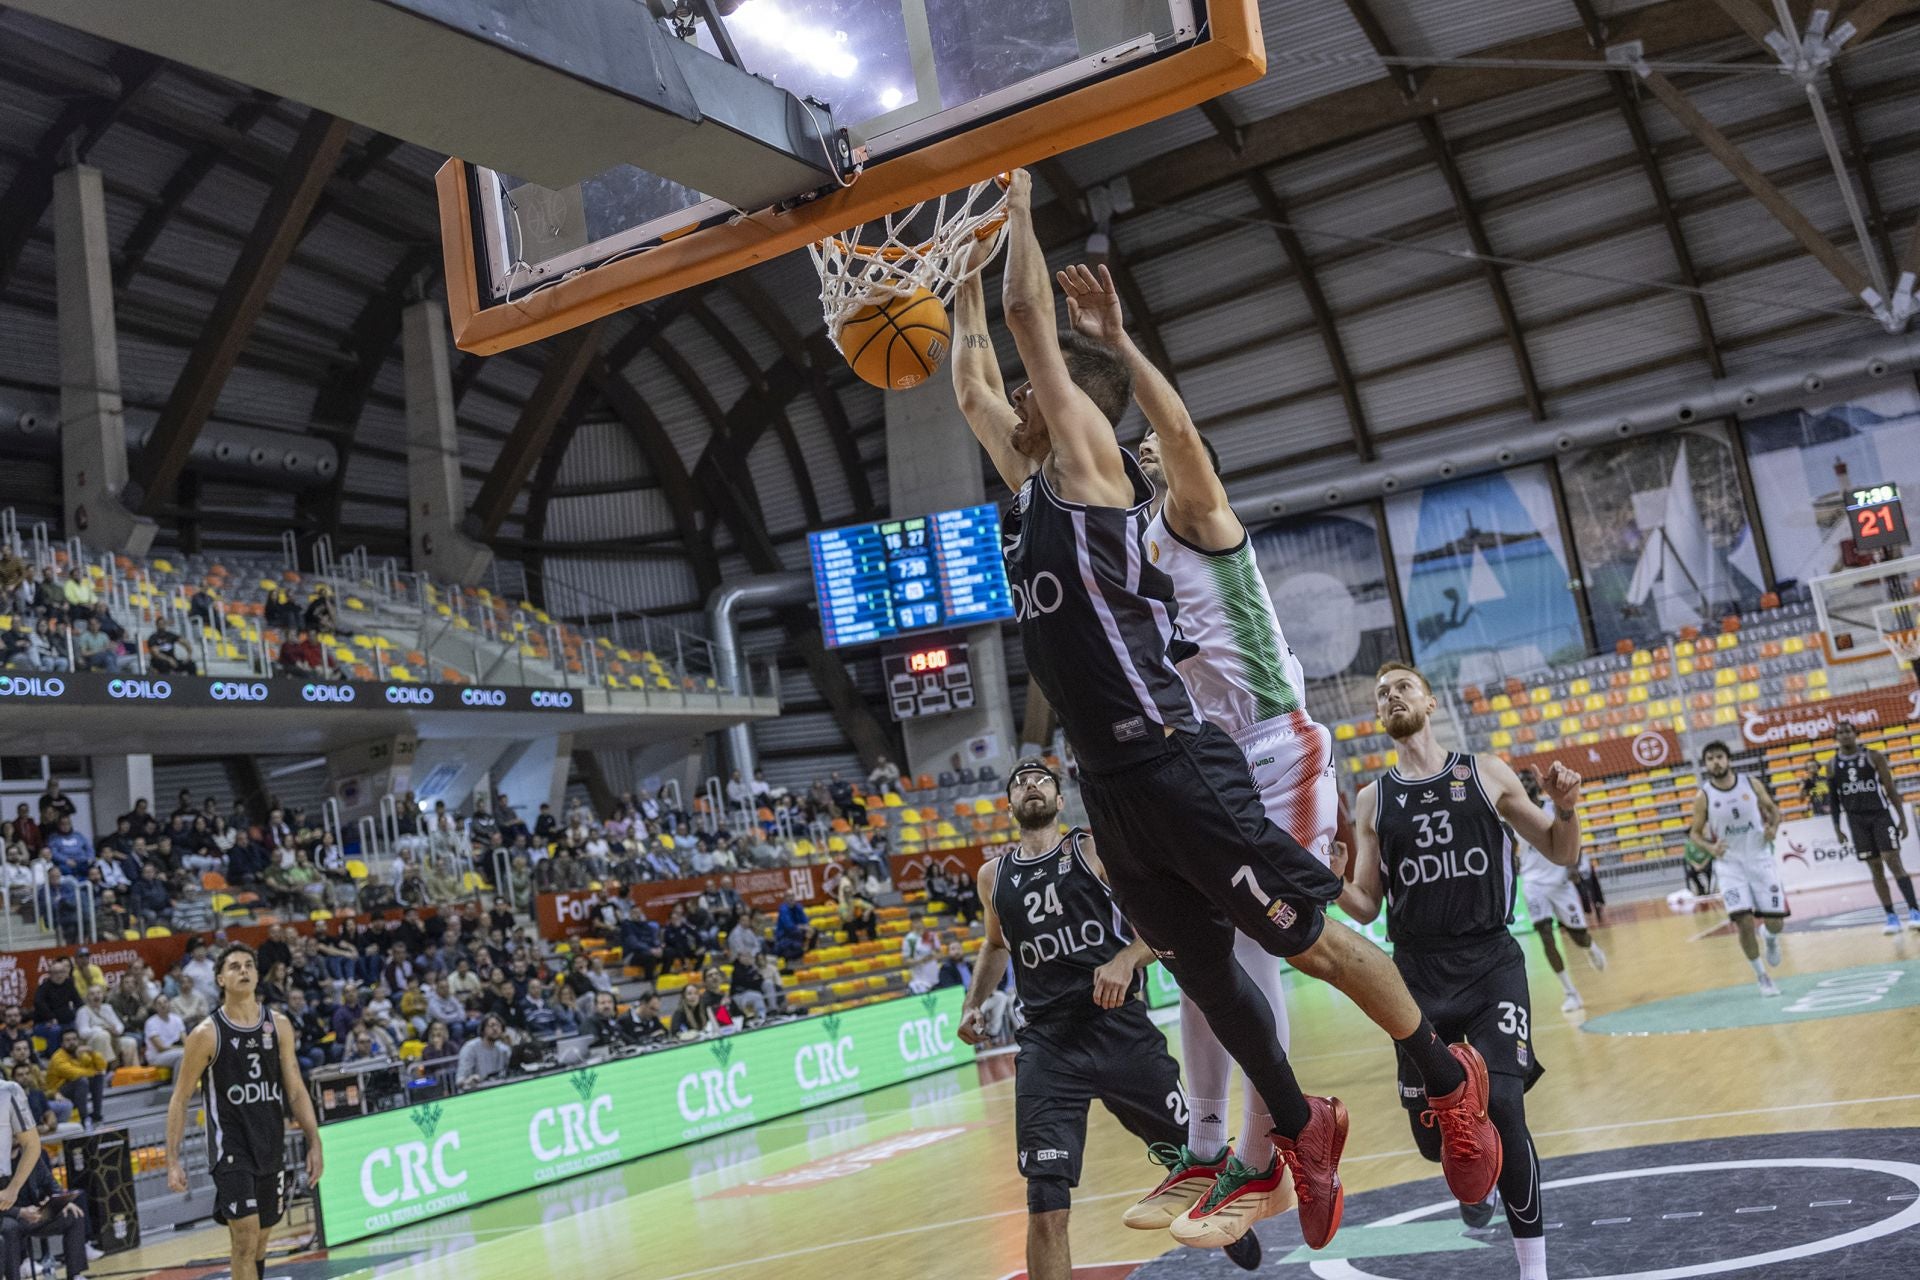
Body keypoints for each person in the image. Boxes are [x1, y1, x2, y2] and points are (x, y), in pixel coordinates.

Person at [955, 194, 1497, 1253]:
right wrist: (943, 272)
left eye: (1043, 392)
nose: (1021, 394)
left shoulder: (1124, 492)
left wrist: (1007, 200)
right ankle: (1262, 1135)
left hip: (1213, 747)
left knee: (1288, 948)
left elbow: (1040, 332)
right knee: (1199, 970)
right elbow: (976, 371)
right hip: (1116, 780)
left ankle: (1436, 1075)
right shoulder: (1027, 503)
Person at [1059, 259, 1346, 1246]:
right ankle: (1209, 1144)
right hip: (1206, 767)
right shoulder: (1126, 550)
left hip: (1279, 745)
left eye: (1155, 445)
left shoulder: (1202, 519)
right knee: (1196, 958)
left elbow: (1176, 432)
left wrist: (1114, 344)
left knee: (1269, 942)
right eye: (1131, 447)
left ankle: (1273, 1157)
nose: (1144, 451)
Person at [957, 766, 1261, 1277]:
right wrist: (973, 1002)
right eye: (1020, 782)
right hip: (1047, 1048)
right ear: (1008, 802)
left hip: (1120, 1030)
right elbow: (993, 944)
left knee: (1192, 1157)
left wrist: (1126, 958)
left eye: (1041, 779)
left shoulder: (1094, 850)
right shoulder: (994, 876)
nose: (1031, 785)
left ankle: (1226, 1218)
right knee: (1045, 1202)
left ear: (1059, 796)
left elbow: (1165, 918)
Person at [1341, 661, 1584, 1280]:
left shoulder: (1486, 773)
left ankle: (1533, 1269)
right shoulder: (1373, 799)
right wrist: (1327, 879)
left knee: (1503, 1102)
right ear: (1378, 717)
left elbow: (1559, 851)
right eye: (1381, 694)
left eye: (1402, 687)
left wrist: (1567, 809)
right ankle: (1473, 1187)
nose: (1391, 696)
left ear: (1429, 701)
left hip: (1489, 963)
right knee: (1433, 1140)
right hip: (1416, 978)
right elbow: (1366, 903)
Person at [164, 945, 324, 1280]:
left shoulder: (278, 1025)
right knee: (245, 1238)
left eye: (249, 965)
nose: (243, 971)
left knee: (262, 1239)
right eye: (234, 966)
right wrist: (172, 1159)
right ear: (220, 978)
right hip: (231, 1149)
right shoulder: (206, 1034)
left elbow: (295, 1089)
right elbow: (180, 1099)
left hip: (270, 1143)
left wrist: (314, 1141)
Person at [1688, 742, 1788, 995]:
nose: (1715, 763)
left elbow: (1773, 811)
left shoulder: (1751, 784)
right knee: (1743, 922)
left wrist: (1773, 829)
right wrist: (1710, 849)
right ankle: (1762, 976)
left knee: (1775, 922)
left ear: (1729, 759)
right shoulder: (1704, 796)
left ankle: (1770, 937)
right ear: (1706, 764)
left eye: (1719, 757)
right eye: (1710, 759)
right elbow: (1695, 834)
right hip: (1729, 866)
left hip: (1759, 859)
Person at [1514, 769, 1607, 1013]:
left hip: (1559, 880)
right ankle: (1570, 992)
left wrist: (1574, 865)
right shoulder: (1512, 814)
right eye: (1520, 780)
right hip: (1533, 883)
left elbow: (1575, 837)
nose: (1524, 783)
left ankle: (1590, 946)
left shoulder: (1552, 809)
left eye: (1528, 779)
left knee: (1578, 936)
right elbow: (1512, 848)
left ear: (1538, 784)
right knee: (1545, 934)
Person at [1827, 718, 1919, 933]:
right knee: (1875, 867)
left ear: (1855, 733)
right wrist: (1837, 827)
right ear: (1836, 738)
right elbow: (1833, 799)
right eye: (1840, 732)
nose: (1845, 735)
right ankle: (1891, 916)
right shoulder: (1831, 765)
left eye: (1848, 731)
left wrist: (1902, 819)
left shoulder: (1873, 756)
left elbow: (1890, 788)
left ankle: (1914, 910)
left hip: (1880, 815)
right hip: (1855, 820)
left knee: (1893, 860)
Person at [43, 1032, 106, 1130]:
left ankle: (96, 1115)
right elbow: (74, 1074)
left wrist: (92, 1053)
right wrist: (93, 1072)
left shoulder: (81, 1054)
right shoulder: (58, 1058)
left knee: (98, 1077)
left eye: (74, 1039)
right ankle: (84, 1118)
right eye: (68, 1040)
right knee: (82, 1081)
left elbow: (101, 1068)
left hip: (76, 1090)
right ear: (62, 1043)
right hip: (56, 1093)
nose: (72, 1042)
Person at [455, 1015, 510, 1089]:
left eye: (498, 1025)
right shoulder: (470, 1048)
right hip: (476, 1092)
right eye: (491, 1025)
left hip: (498, 1089)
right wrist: (469, 1080)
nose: (495, 1028)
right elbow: (459, 1081)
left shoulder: (504, 1049)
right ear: (483, 1029)